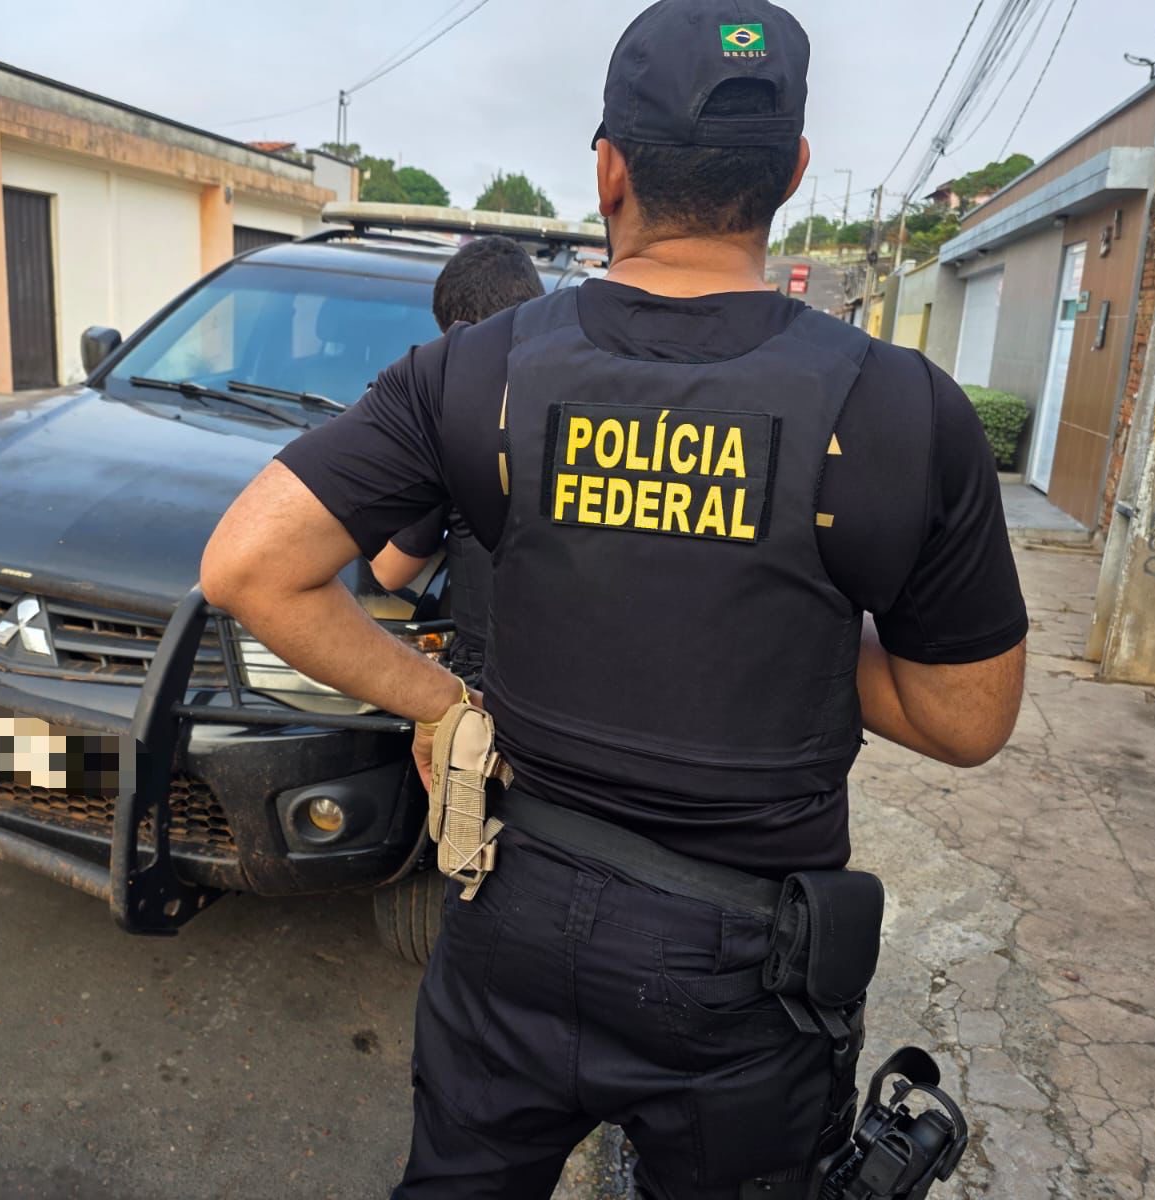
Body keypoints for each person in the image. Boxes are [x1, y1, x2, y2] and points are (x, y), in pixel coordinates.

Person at [201, 1, 1027, 1195]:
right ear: (791, 171)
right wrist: (773, 612)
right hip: (743, 972)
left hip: (513, 905)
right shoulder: (902, 407)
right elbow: (966, 716)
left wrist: (440, 703)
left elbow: (248, 564)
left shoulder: (476, 368)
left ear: (608, 170)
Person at [369, 235, 545, 683]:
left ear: (457, 335)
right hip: (569, 668)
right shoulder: (578, 392)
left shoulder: (452, 413)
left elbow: (390, 570)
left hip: (487, 671)